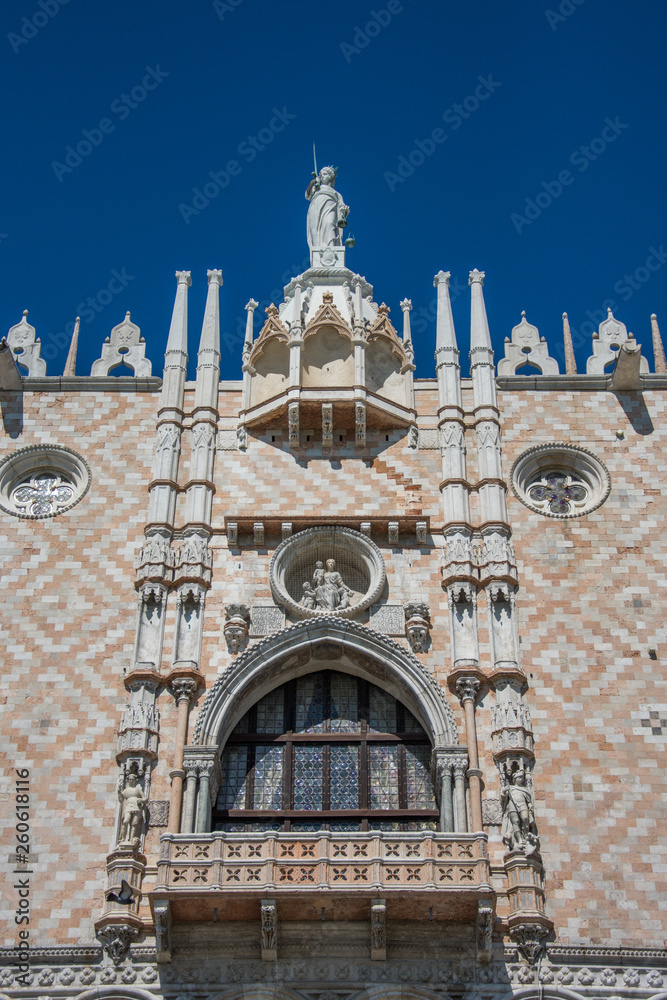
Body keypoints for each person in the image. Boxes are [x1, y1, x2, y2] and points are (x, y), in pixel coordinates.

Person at [305, 167, 350, 250]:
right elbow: (307, 195)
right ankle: (318, 249)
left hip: (330, 208)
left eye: (325, 174)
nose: (322, 176)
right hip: (315, 207)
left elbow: (342, 207)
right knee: (314, 229)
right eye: (321, 175)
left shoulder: (336, 194)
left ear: (330, 177)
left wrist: (344, 210)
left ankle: (331, 248)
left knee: (330, 224)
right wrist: (313, 182)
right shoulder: (316, 188)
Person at [501, 770, 537, 852]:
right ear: (515, 779)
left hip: (522, 805)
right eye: (519, 777)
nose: (521, 779)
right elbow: (503, 798)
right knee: (515, 822)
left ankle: (526, 836)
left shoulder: (524, 789)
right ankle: (519, 840)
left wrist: (530, 805)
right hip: (512, 806)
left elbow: (528, 801)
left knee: (525, 819)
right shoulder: (511, 788)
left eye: (522, 777)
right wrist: (504, 790)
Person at [118, 773, 146, 847]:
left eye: (132, 780)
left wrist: (141, 800)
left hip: (136, 807)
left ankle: (132, 839)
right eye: (130, 780)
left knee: (135, 823)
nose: (131, 781)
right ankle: (122, 838)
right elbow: (121, 800)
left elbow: (145, 798)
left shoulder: (137, 790)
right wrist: (119, 793)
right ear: (128, 781)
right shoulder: (126, 790)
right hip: (128, 806)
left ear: (135, 780)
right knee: (125, 821)